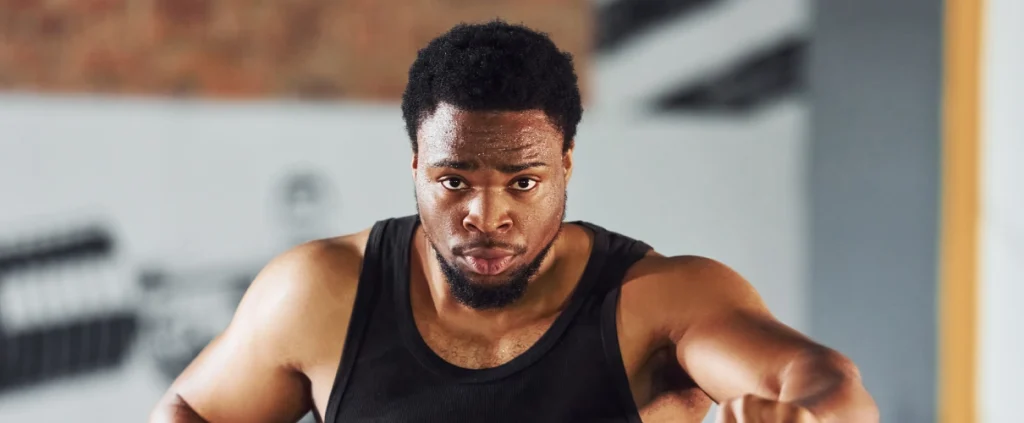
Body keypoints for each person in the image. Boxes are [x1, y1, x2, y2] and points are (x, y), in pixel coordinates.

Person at [149, 20, 878, 423]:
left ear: (566, 165)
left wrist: (805, 420)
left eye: (522, 182)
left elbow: (829, 384)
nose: (486, 215)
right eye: (454, 181)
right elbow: (188, 409)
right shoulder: (323, 293)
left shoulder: (656, 302)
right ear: (415, 167)